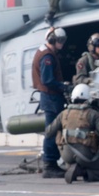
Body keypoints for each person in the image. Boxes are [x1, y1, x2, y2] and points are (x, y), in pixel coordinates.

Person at [45, 83, 99, 183]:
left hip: (66, 155)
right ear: (88, 98)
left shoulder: (64, 113)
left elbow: (48, 132)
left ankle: (72, 167)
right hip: (85, 155)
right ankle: (83, 172)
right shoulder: (93, 114)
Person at [32, 26, 70, 179]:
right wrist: (64, 87)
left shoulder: (45, 52)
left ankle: (51, 163)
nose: (62, 44)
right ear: (53, 40)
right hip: (51, 97)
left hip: (50, 97)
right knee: (52, 131)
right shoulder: (47, 57)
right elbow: (47, 81)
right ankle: (49, 165)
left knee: (52, 130)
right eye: (60, 41)